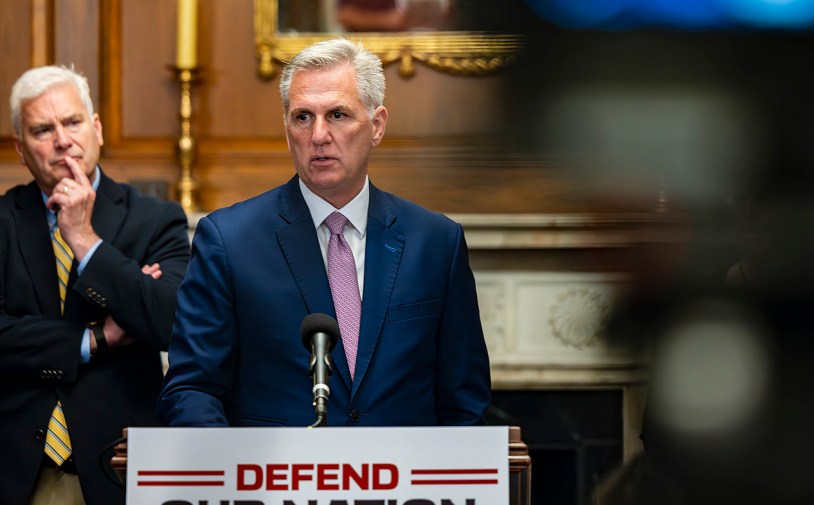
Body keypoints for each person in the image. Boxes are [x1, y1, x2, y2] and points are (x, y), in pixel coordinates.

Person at [158, 38, 491, 428]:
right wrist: (232, 476)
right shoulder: (230, 240)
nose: (318, 135)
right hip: (272, 482)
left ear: (377, 125)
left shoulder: (436, 243)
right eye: (302, 117)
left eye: (337, 115)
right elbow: (192, 388)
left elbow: (464, 403)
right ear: (287, 130)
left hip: (403, 483)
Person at [0, 65, 191, 505]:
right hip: (16, 469)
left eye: (72, 122)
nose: (62, 139)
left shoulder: (155, 220)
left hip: (119, 465)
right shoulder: (3, 223)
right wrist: (95, 338)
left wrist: (85, 242)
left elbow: (172, 322)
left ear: (97, 129)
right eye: (42, 129)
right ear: (21, 149)